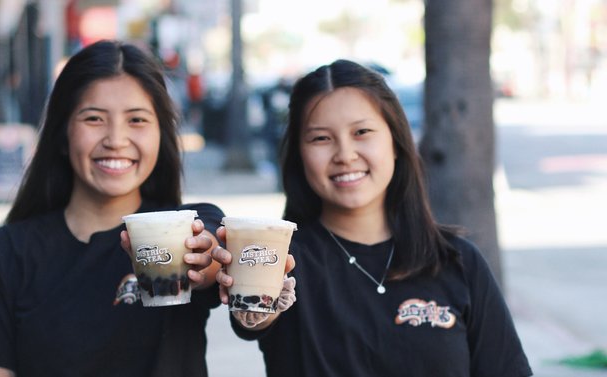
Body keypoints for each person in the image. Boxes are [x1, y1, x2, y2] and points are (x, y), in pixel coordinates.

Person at [212, 60, 532, 376]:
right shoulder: (282, 260)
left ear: (395, 141)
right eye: (321, 138)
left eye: (362, 132)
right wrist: (253, 304)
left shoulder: (458, 261)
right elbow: (255, 315)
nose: (345, 155)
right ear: (298, 154)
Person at [0, 40, 224, 377]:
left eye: (137, 120)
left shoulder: (185, 231)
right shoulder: (4, 255)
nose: (116, 139)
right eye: (94, 118)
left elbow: (208, 255)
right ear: (63, 134)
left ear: (161, 135)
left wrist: (203, 259)